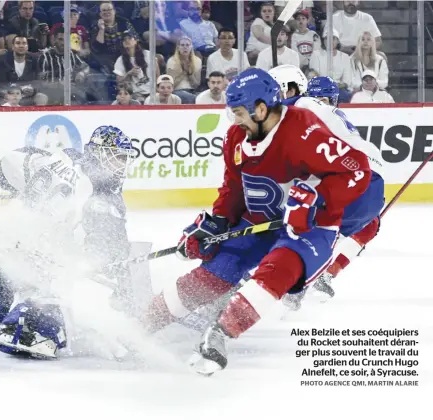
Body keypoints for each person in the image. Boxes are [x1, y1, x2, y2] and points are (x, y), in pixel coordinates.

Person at [141, 68, 372, 375]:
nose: (234, 120)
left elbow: (357, 171)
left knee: (279, 268)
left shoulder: (303, 130)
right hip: (259, 220)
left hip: (308, 226)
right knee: (216, 273)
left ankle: (221, 334)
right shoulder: (236, 136)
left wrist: (318, 199)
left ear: (261, 109)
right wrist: (217, 222)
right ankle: (143, 323)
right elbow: (234, 188)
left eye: (239, 112)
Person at [0, 126, 141, 359]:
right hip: (28, 243)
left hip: (9, 234)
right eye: (118, 157)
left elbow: (12, 161)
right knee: (51, 282)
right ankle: (28, 327)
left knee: (8, 282)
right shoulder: (91, 188)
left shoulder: (71, 163)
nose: (122, 164)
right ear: (99, 154)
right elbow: (104, 241)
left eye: (125, 159)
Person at [267, 68, 385, 309]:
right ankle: (318, 275)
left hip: (347, 182)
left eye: (325, 100)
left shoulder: (303, 107)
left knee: (298, 231)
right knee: (361, 225)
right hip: (370, 184)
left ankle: (283, 281)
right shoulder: (335, 119)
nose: (321, 103)